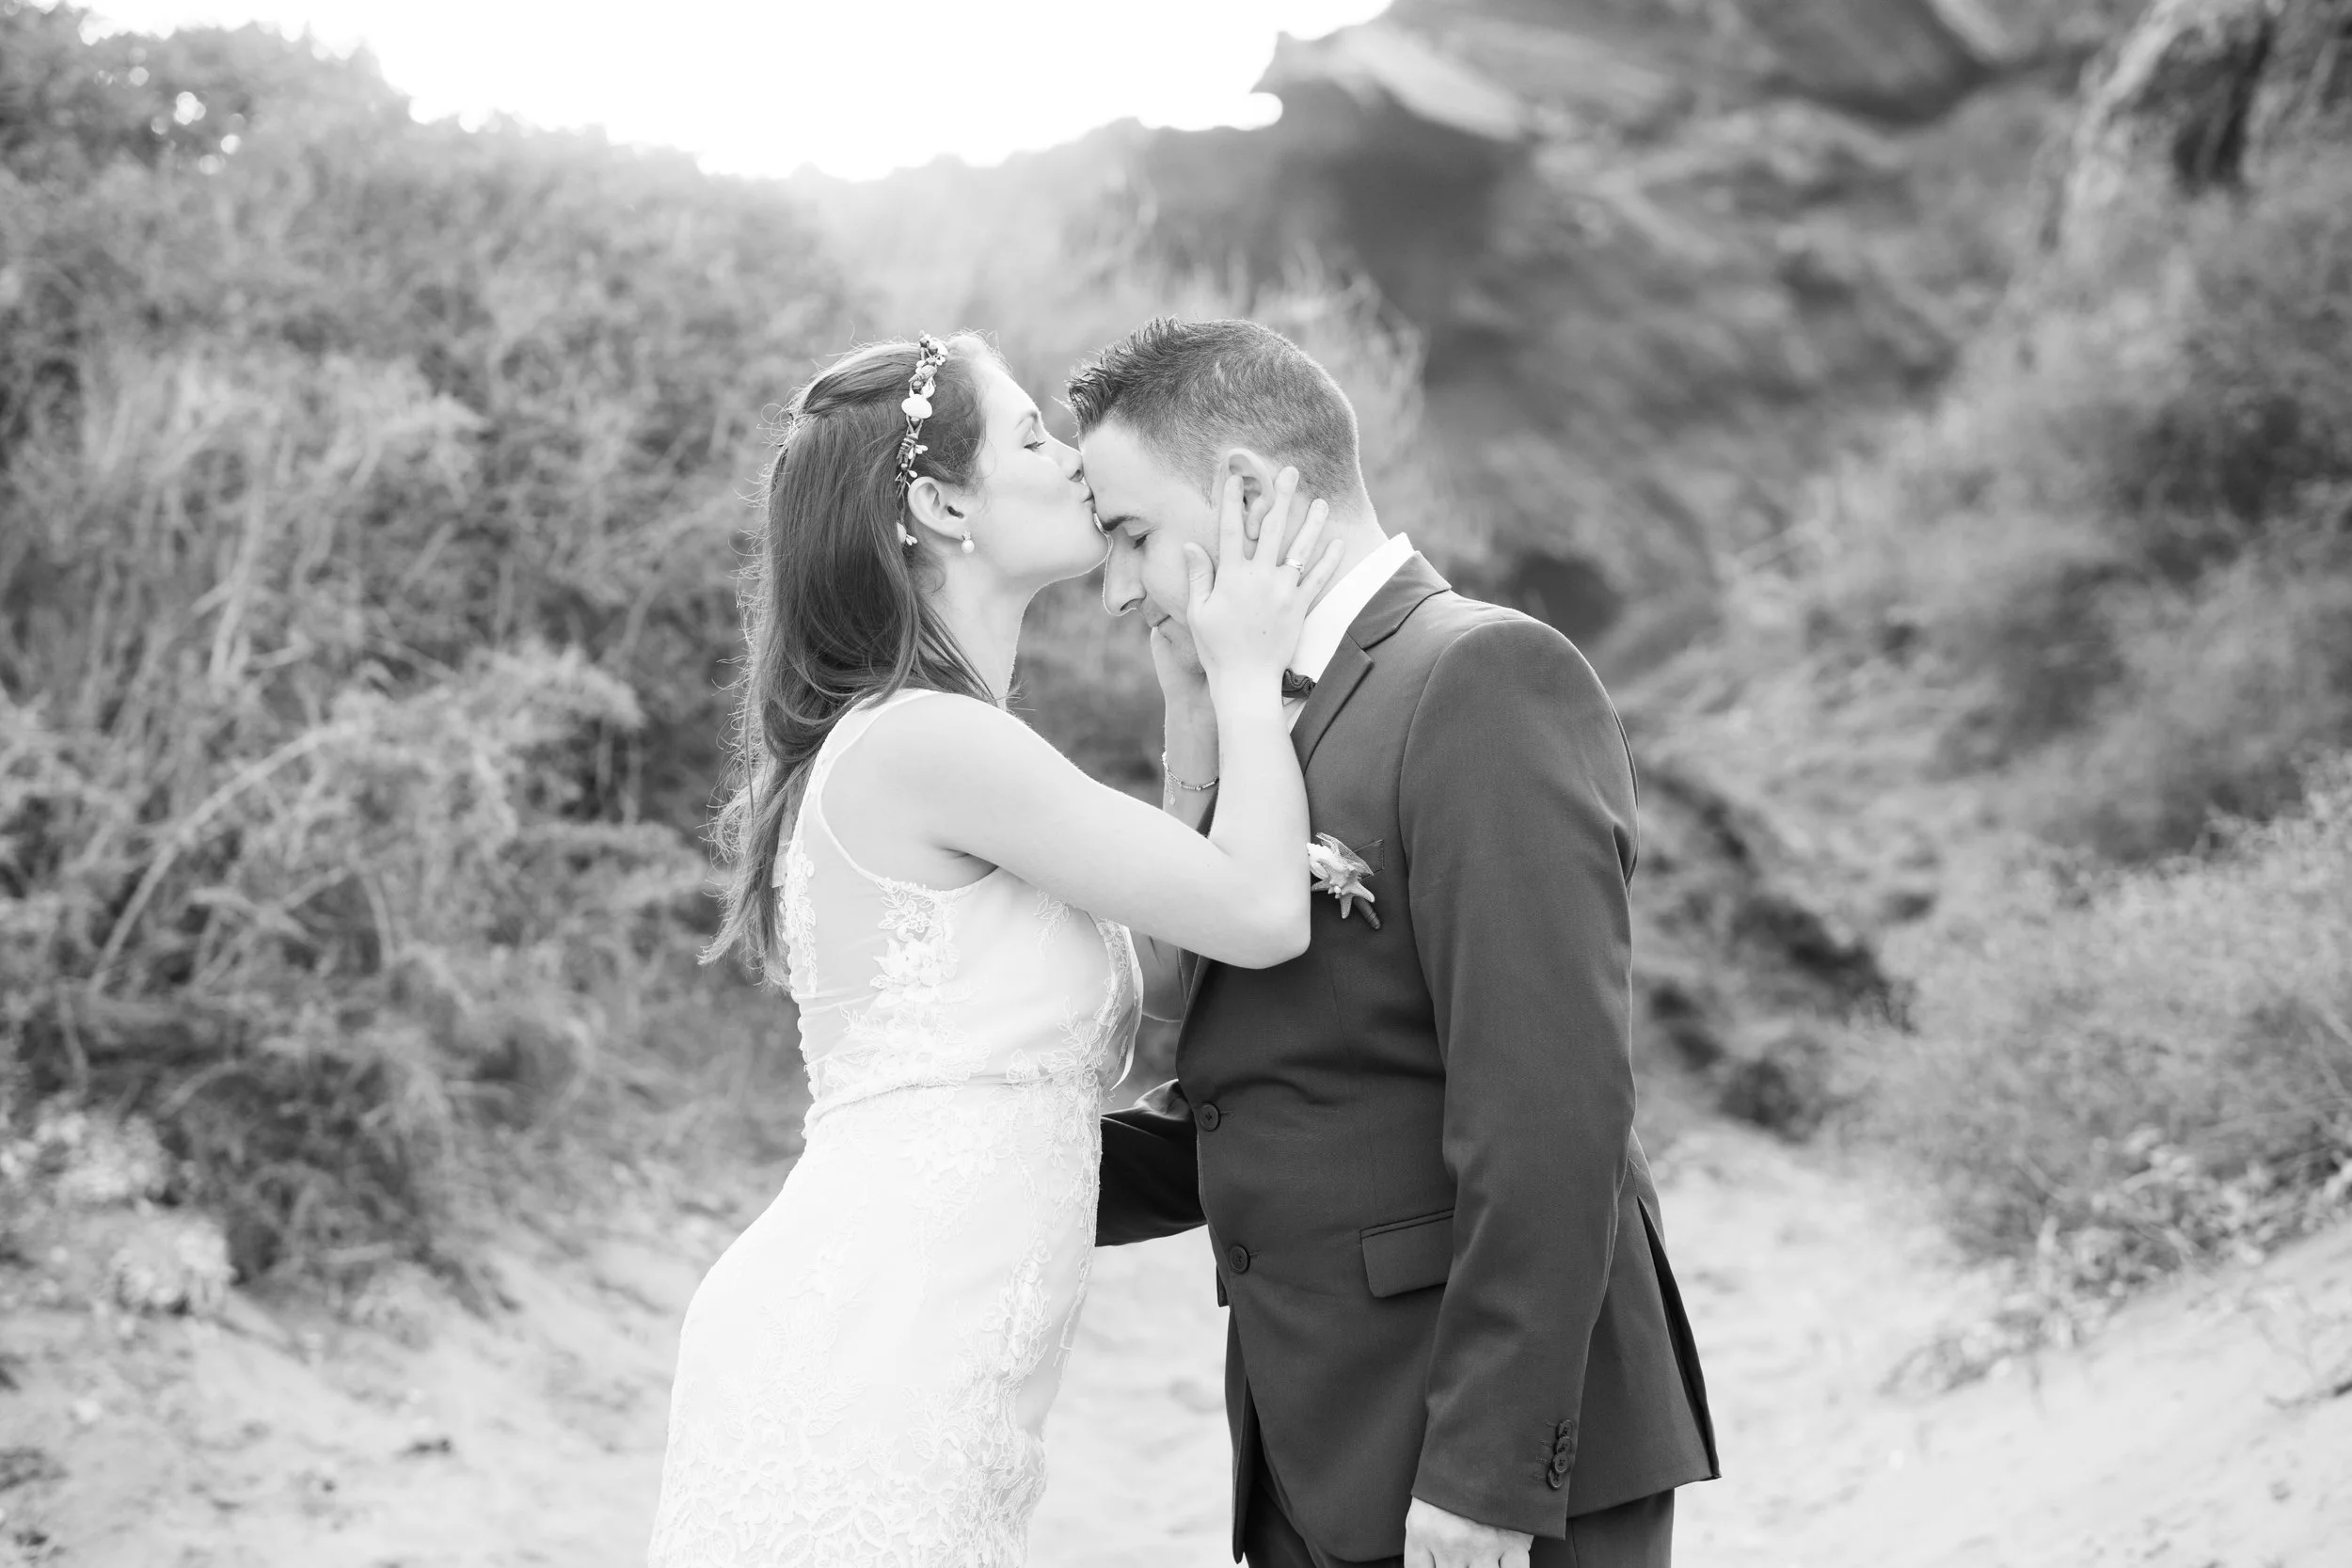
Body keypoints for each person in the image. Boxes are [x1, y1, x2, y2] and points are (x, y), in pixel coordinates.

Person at [645, 331, 1344, 1567]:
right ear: (941, 502)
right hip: (872, 1343)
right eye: (1034, 435)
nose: (1074, 463)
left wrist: (1188, 710)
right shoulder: (930, 743)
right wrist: (1245, 672)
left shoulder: (947, 743)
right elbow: (1260, 912)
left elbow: (1179, 970)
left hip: (943, 1350)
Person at [1077, 318, 1719, 1568]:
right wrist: (972, 1166)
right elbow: (1266, 1086)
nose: (1116, 587)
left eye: (1130, 533)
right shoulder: (1260, 719)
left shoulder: (1481, 677)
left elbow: (1549, 1111)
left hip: (1479, 1457)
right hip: (1308, 1431)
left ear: (1250, 492)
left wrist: (1484, 1473)